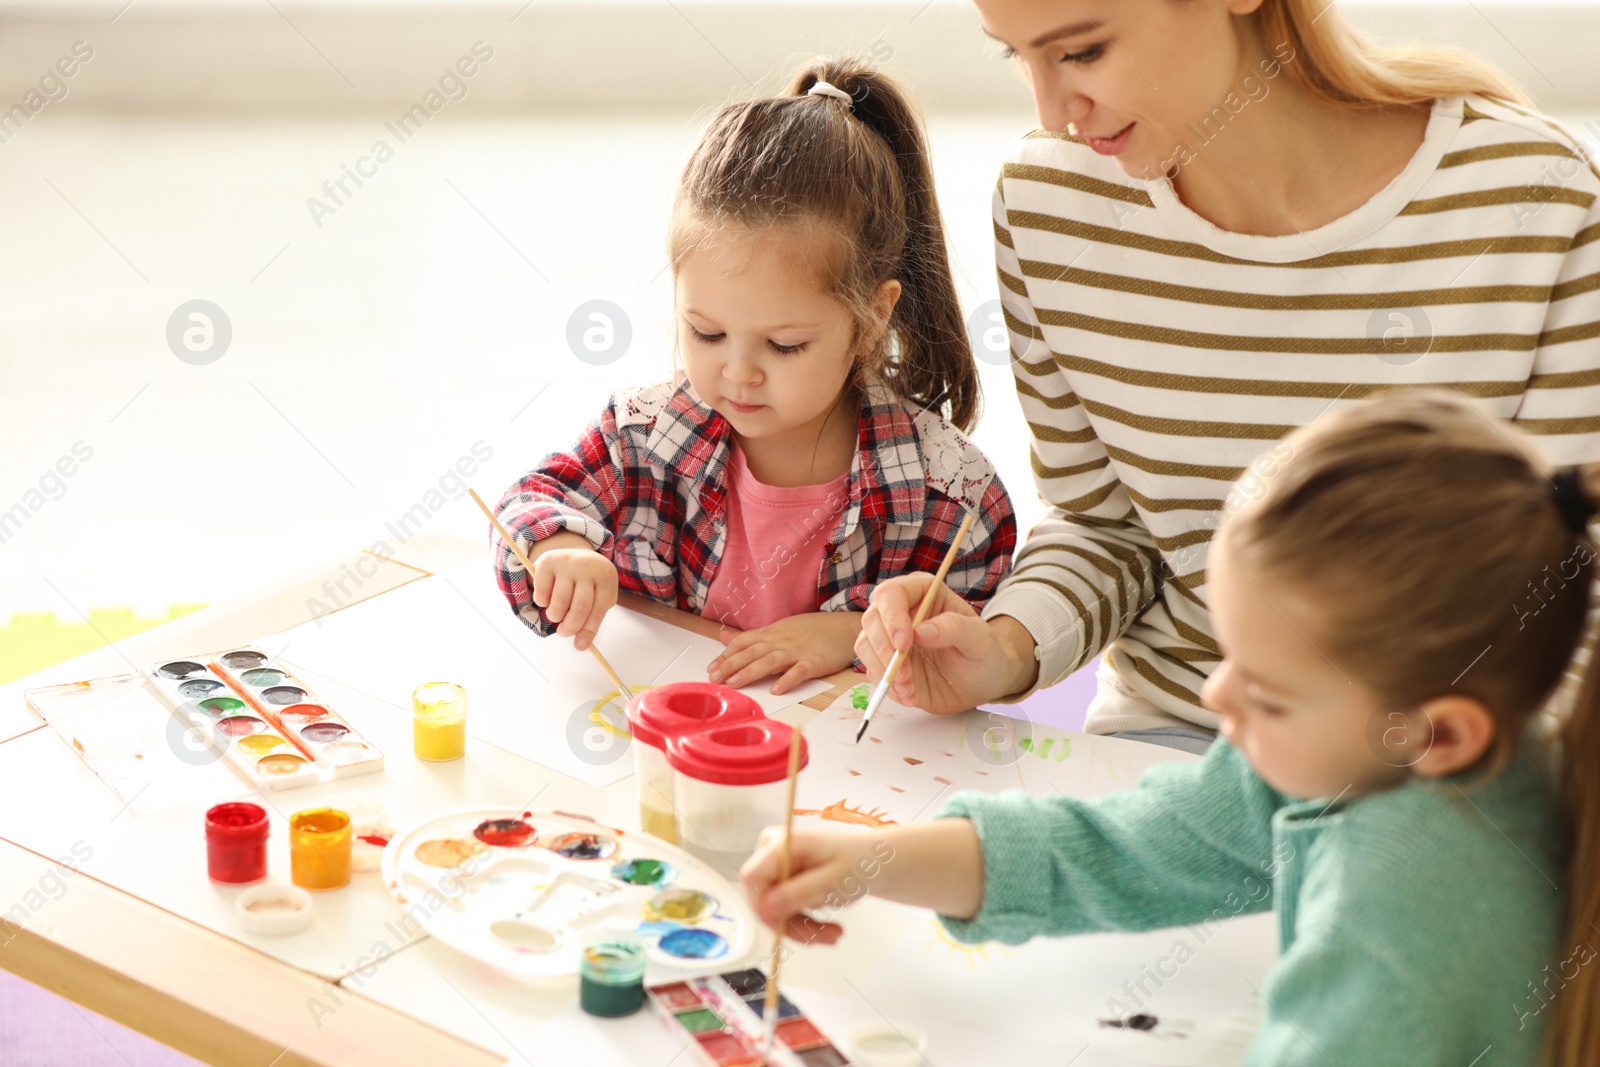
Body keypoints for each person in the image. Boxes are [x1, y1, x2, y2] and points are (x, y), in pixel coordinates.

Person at [746, 390, 1598, 1064]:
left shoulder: (1412, 920)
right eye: (1232, 655)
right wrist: (873, 859)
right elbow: (1127, 845)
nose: (1218, 696)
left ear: (1439, 736)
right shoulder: (1359, 757)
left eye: (1268, 691)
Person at [857, 0, 1600, 751]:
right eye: (1013, 55)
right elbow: (1108, 526)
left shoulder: (1536, 198)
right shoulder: (1051, 202)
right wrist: (1006, 648)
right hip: (1179, 746)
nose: (1053, 112)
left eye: (1081, 52)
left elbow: (1575, 593)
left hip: (1443, 770)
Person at [492, 59, 1016, 696]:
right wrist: (559, 552)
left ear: (873, 318)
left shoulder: (946, 492)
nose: (737, 372)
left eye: (784, 345)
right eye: (706, 334)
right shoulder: (646, 437)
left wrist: (853, 634)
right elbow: (530, 503)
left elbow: (983, 650)